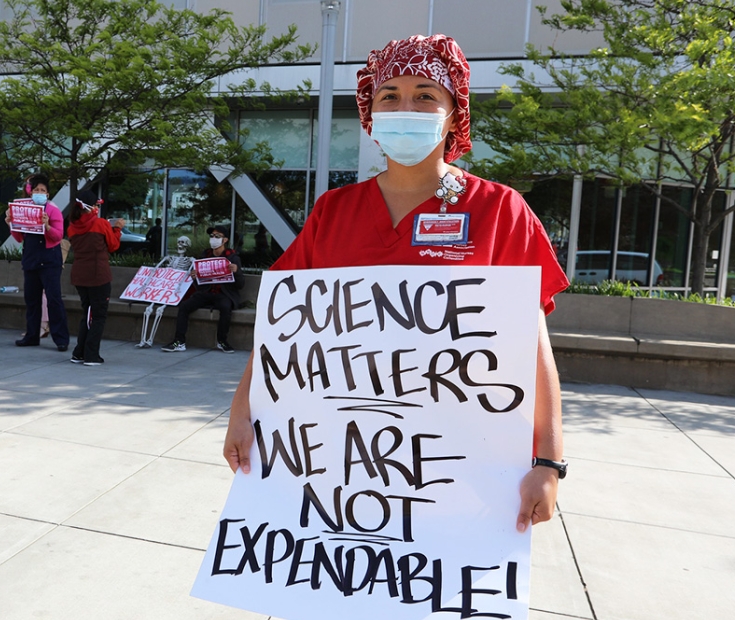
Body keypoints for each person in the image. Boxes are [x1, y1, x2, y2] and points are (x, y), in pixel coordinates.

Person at [222, 34, 570, 534]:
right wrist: (242, 409)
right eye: (390, 95)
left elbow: (531, 344)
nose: (406, 106)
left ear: (454, 112)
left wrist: (549, 461)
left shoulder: (500, 211)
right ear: (370, 112)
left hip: (460, 469)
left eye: (426, 93)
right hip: (338, 464)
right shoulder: (332, 212)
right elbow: (286, 328)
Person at [7, 174, 69, 351]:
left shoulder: (52, 210)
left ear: (48, 194)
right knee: (32, 299)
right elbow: (19, 237)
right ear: (31, 193)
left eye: (43, 190)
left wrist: (47, 226)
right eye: (36, 190)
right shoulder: (23, 208)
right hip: (31, 258)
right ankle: (32, 335)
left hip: (50, 259)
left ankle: (61, 338)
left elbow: (58, 236)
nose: (39, 193)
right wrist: (11, 223)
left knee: (54, 299)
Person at [161, 224, 243, 354]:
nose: (214, 238)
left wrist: (236, 271)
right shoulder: (205, 255)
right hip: (206, 292)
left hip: (223, 294)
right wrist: (195, 276)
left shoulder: (232, 257)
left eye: (217, 236)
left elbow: (240, 284)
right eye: (212, 236)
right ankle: (179, 341)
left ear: (225, 240)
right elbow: (199, 283)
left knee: (225, 308)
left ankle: (222, 341)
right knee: (184, 307)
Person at [67, 189, 123, 366]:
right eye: (97, 205)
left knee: (87, 313)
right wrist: (118, 229)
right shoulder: (101, 224)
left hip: (80, 275)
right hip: (98, 275)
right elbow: (113, 246)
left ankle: (79, 353)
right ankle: (91, 355)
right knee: (98, 316)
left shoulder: (71, 226)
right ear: (91, 206)